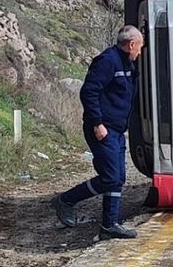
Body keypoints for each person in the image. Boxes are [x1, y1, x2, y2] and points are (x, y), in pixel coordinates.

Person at [52, 25, 144, 240]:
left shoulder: (129, 64)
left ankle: (109, 225)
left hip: (117, 130)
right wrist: (97, 123)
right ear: (131, 44)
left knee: (117, 177)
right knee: (111, 177)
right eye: (139, 47)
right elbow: (89, 91)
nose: (140, 52)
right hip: (103, 129)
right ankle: (66, 200)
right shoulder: (108, 61)